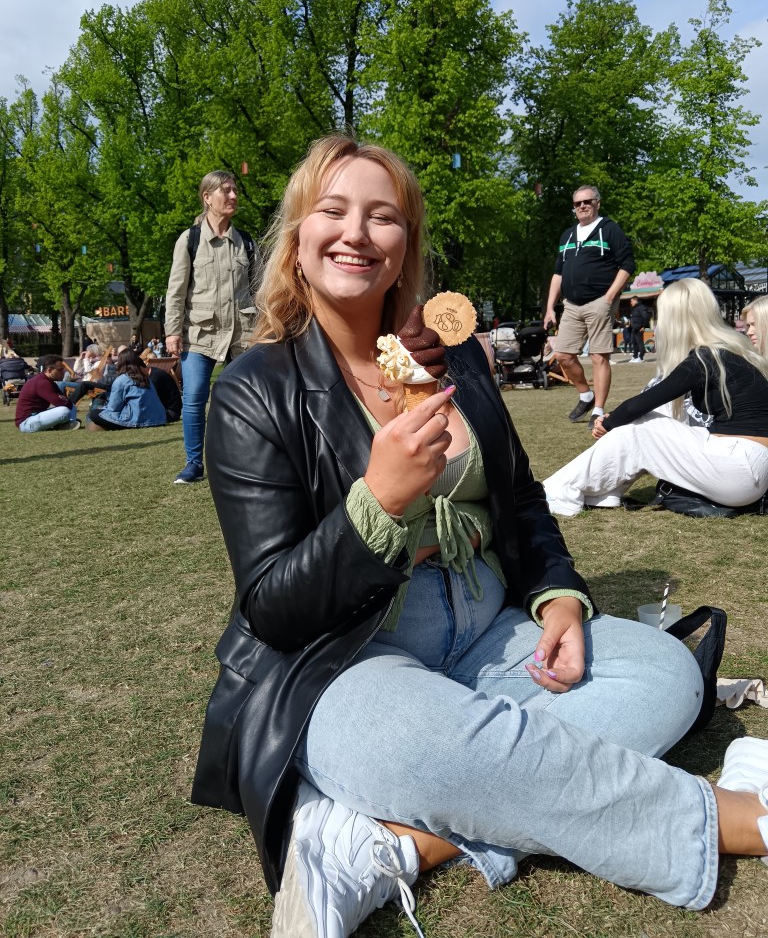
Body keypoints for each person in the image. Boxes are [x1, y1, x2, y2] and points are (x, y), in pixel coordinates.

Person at [191, 137, 768, 938]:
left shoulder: (455, 351)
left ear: (406, 247)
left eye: (382, 217)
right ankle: (732, 816)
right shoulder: (255, 389)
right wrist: (380, 503)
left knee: (668, 674)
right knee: (410, 740)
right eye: (332, 211)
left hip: (491, 634)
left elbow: (524, 503)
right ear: (297, 235)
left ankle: (402, 841)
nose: (355, 232)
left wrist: (559, 599)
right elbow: (273, 609)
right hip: (348, 662)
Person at [543, 278, 768, 516]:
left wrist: (607, 423)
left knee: (639, 428)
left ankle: (556, 491)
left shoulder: (705, 358)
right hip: (746, 465)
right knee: (647, 421)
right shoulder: (729, 350)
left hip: (740, 468)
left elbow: (641, 404)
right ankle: (604, 492)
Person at [164, 170, 257, 484]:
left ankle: (243, 460)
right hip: (199, 333)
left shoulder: (245, 242)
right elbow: (176, 290)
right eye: (226, 191)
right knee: (194, 397)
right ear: (207, 197)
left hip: (242, 334)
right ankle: (193, 464)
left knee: (245, 397)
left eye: (234, 191)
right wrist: (172, 330)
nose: (233, 196)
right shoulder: (189, 241)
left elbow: (258, 289)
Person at [543, 186, 634, 427]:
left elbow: (627, 265)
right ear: (573, 208)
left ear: (597, 203)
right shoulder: (568, 236)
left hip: (599, 301)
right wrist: (550, 307)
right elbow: (558, 274)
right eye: (577, 203)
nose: (582, 206)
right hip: (571, 304)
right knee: (562, 354)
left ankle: (598, 409)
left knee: (598, 356)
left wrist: (609, 297)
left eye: (587, 202)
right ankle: (585, 395)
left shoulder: (610, 230)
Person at [85, 349, 167, 431]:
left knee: (93, 414)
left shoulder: (122, 379)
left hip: (138, 419)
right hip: (159, 419)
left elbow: (114, 407)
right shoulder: (146, 378)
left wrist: (102, 409)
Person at [15, 355, 80, 432]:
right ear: (49, 370)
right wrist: (65, 401)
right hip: (26, 422)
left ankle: (67, 423)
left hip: (36, 416)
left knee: (72, 407)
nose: (63, 372)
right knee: (64, 411)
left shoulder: (48, 381)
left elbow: (66, 402)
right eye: (60, 370)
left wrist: (65, 401)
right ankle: (66, 423)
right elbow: (60, 402)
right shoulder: (42, 382)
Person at [629, 295, 651, 363]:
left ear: (636, 300)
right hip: (634, 328)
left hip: (639, 328)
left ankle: (641, 357)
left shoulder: (641, 307)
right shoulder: (635, 308)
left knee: (639, 343)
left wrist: (643, 326)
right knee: (634, 342)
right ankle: (635, 356)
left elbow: (646, 317)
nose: (631, 303)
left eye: (632, 301)